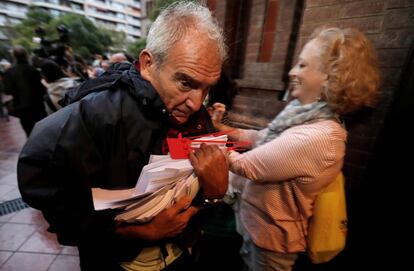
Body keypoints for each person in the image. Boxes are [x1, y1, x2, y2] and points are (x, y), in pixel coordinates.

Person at [18, 2, 228, 270]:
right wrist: (131, 232)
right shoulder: (96, 114)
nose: (197, 104)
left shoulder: (195, 115)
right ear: (148, 64)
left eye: (207, 88)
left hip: (180, 254)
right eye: (185, 82)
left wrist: (215, 192)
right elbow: (53, 197)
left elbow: (199, 198)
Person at [206, 27, 381, 271]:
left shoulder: (320, 136)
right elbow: (262, 138)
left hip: (273, 241)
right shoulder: (304, 115)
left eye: (302, 65)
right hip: (257, 227)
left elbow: (248, 165)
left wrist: (205, 145)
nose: (291, 71)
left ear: (330, 78)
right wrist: (221, 129)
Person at [3, 46, 47, 136]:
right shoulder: (34, 70)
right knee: (45, 131)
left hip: (22, 109)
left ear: (14, 57)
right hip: (38, 106)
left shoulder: (9, 72)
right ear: (26, 55)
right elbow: (42, 89)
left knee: (30, 134)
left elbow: (8, 91)